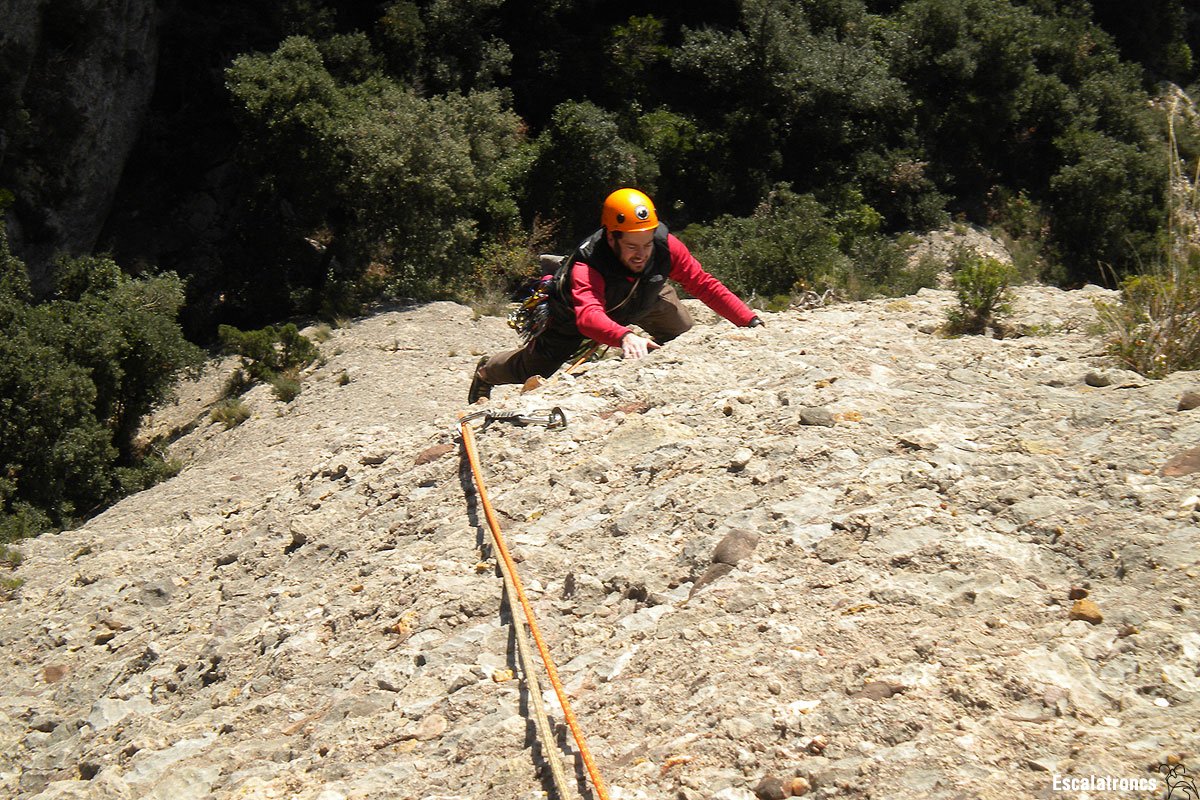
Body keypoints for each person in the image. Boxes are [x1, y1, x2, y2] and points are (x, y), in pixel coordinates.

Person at [469, 188, 763, 403]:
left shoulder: (664, 246)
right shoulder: (588, 264)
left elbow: (702, 283)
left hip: (643, 296)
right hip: (572, 318)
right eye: (632, 247)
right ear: (611, 237)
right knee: (533, 369)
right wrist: (624, 337)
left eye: (647, 244)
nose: (642, 254)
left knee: (681, 329)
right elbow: (588, 316)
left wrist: (748, 319)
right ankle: (486, 371)